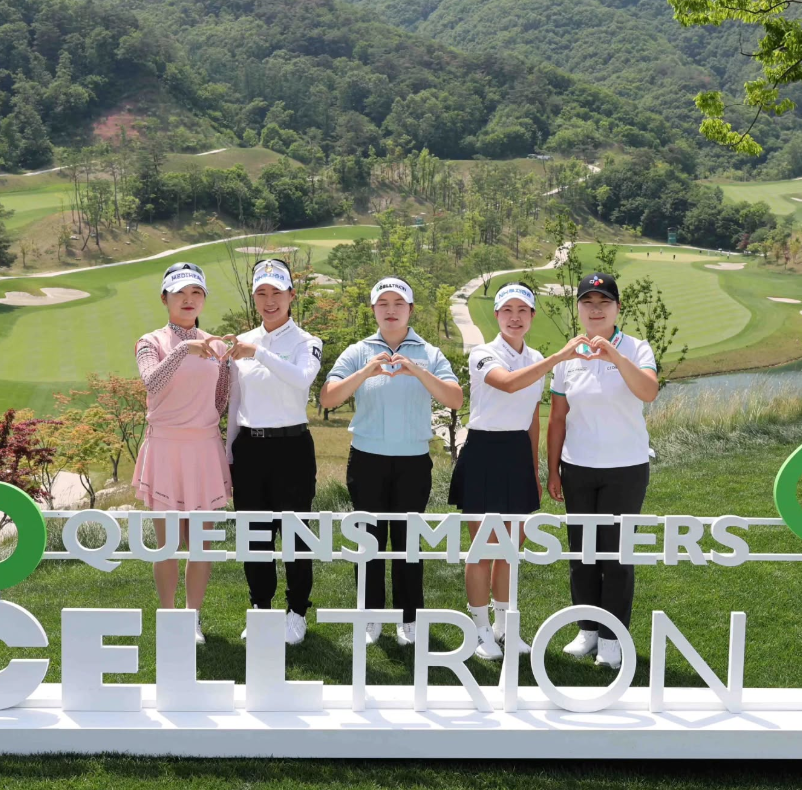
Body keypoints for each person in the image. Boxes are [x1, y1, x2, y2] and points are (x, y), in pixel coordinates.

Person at [449, 282, 590, 660]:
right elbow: (508, 384)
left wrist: (534, 469)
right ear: (497, 315)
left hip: (516, 454)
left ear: (531, 316)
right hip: (484, 451)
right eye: (507, 310)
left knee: (510, 549)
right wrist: (558, 358)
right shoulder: (483, 353)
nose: (515, 317)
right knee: (483, 547)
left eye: (522, 310)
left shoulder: (536, 357)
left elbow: (531, 419)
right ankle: (479, 629)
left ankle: (503, 627)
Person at [320, 277, 463, 647]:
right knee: (368, 543)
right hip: (367, 461)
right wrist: (365, 372)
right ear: (373, 310)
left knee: (407, 544)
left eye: (398, 302)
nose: (391, 309)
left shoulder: (429, 353)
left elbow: (455, 398)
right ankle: (371, 617)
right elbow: (329, 397)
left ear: (411, 309)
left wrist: (418, 370)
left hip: (413, 463)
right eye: (382, 303)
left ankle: (408, 618)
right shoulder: (358, 351)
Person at [547, 272, 659, 670]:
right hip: (578, 467)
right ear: (578, 308)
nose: (596, 310)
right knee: (582, 555)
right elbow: (557, 418)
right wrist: (553, 469)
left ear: (617, 308)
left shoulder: (636, 348)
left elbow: (648, 391)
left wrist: (614, 356)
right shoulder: (568, 355)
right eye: (588, 303)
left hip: (625, 468)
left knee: (616, 557)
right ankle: (588, 630)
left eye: (604, 303)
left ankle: (613, 638)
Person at [132, 262, 231, 645]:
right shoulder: (150, 342)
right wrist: (182, 350)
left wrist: (225, 362)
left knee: (201, 545)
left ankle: (192, 618)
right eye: (180, 293)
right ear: (165, 298)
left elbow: (220, 400)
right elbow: (151, 382)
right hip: (166, 450)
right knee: (168, 544)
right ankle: (169, 615)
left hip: (203, 449)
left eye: (196, 293)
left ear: (203, 298)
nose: (188, 300)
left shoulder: (217, 345)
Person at [226, 259, 323, 646]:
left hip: (292, 447)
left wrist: (259, 353)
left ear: (291, 296)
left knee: (296, 535)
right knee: (255, 536)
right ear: (254, 298)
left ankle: (297, 611)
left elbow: (302, 379)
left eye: (277, 293)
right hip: (250, 447)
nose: (269, 301)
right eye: (262, 293)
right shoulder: (242, 342)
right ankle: (261, 608)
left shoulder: (307, 342)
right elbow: (236, 402)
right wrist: (228, 452)